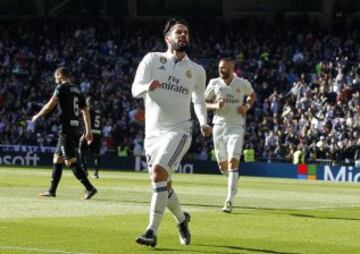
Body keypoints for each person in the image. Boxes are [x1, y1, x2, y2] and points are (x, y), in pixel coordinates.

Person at [131, 18, 211, 247]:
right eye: (179, 32)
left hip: (180, 130)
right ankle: (182, 218)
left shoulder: (196, 70)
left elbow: (198, 100)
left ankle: (151, 232)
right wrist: (148, 87)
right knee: (163, 184)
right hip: (152, 133)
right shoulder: (152, 59)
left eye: (186, 32)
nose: (183, 35)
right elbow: (135, 88)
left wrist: (204, 122)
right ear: (168, 38)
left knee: (158, 174)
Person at [31, 67, 97, 200]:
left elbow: (50, 105)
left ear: (60, 75)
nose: (55, 80)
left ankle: (90, 188)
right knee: (57, 158)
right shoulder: (78, 90)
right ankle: (52, 191)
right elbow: (85, 112)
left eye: (56, 77)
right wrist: (88, 131)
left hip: (66, 129)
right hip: (75, 128)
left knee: (70, 161)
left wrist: (36, 116)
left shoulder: (61, 88)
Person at [205, 58, 256, 213]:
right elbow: (204, 103)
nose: (221, 70)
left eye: (225, 68)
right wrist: (215, 105)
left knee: (233, 162)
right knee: (223, 166)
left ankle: (229, 201)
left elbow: (252, 95)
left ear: (232, 68)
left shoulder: (242, 83)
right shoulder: (214, 83)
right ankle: (234, 179)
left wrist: (246, 106)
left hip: (236, 126)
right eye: (220, 67)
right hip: (219, 126)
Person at [78, 97, 102, 178]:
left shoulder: (88, 110)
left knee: (81, 150)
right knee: (96, 154)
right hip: (98, 134)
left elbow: (87, 123)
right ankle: (96, 173)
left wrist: (84, 134)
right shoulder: (99, 112)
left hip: (90, 133)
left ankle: (85, 170)